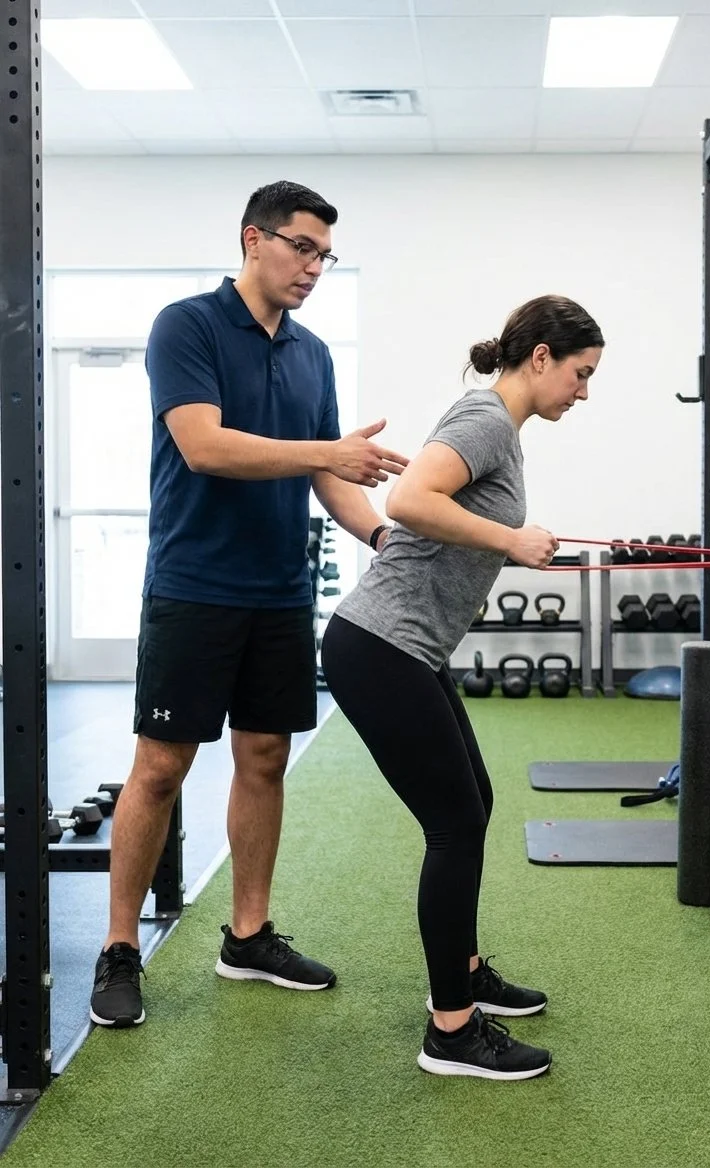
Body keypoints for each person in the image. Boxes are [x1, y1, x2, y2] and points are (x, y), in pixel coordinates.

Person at [90, 180, 408, 1028]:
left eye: (324, 256)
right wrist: (328, 450)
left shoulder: (311, 354)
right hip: (193, 584)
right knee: (162, 766)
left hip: (278, 588)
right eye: (301, 247)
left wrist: (382, 538)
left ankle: (249, 933)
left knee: (264, 756)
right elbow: (205, 446)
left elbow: (328, 474)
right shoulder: (186, 325)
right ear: (252, 239)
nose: (313, 267)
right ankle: (121, 946)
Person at [321, 295, 604, 1080]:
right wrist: (511, 538)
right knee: (453, 823)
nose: (583, 393)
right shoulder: (485, 421)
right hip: (379, 645)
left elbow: (434, 512)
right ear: (540, 356)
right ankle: (451, 1030)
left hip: (405, 649)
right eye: (580, 375)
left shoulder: (498, 431)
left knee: (472, 804)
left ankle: (465, 971)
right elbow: (407, 501)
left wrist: (503, 544)